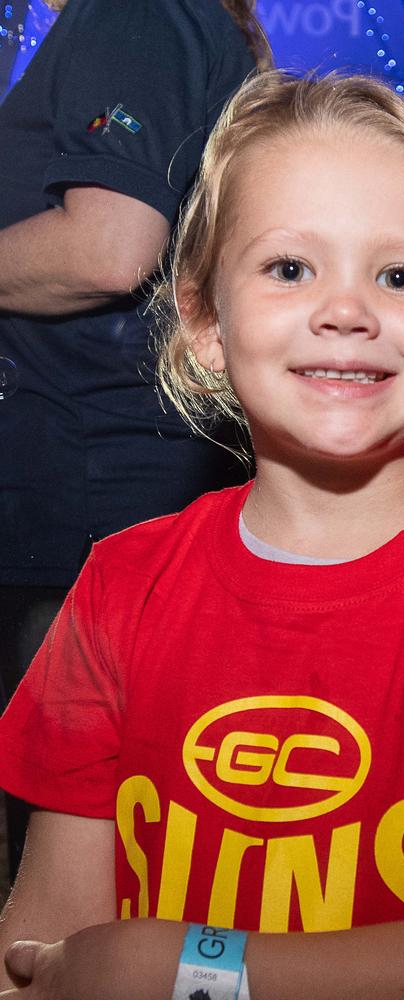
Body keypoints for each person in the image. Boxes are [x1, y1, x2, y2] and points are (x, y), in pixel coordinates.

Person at [0, 70, 404, 1000]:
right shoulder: (119, 587)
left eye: (399, 275)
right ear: (204, 321)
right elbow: (37, 951)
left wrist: (185, 968)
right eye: (290, 267)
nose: (347, 309)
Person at [0, 0, 269, 874]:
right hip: (122, 495)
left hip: (88, 518)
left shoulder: (134, 10)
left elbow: (106, 249)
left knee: (77, 870)